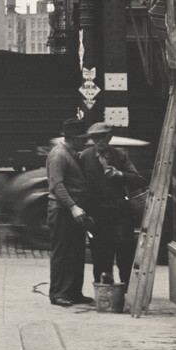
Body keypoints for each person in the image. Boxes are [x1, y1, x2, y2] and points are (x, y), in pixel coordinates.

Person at [81, 122, 148, 288]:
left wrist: (120, 174)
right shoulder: (84, 157)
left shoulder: (119, 156)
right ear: (91, 140)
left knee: (124, 249)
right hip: (97, 213)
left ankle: (126, 287)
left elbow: (138, 179)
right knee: (100, 252)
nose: (100, 141)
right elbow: (78, 184)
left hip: (120, 212)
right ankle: (103, 289)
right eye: (95, 138)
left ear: (109, 138)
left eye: (103, 137)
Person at [46, 117, 94, 307]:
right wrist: (73, 206)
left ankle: (74, 291)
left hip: (73, 210)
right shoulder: (59, 155)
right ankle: (58, 293)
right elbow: (57, 185)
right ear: (72, 138)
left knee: (76, 251)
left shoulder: (72, 153)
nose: (85, 142)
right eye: (82, 138)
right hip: (62, 209)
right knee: (62, 252)